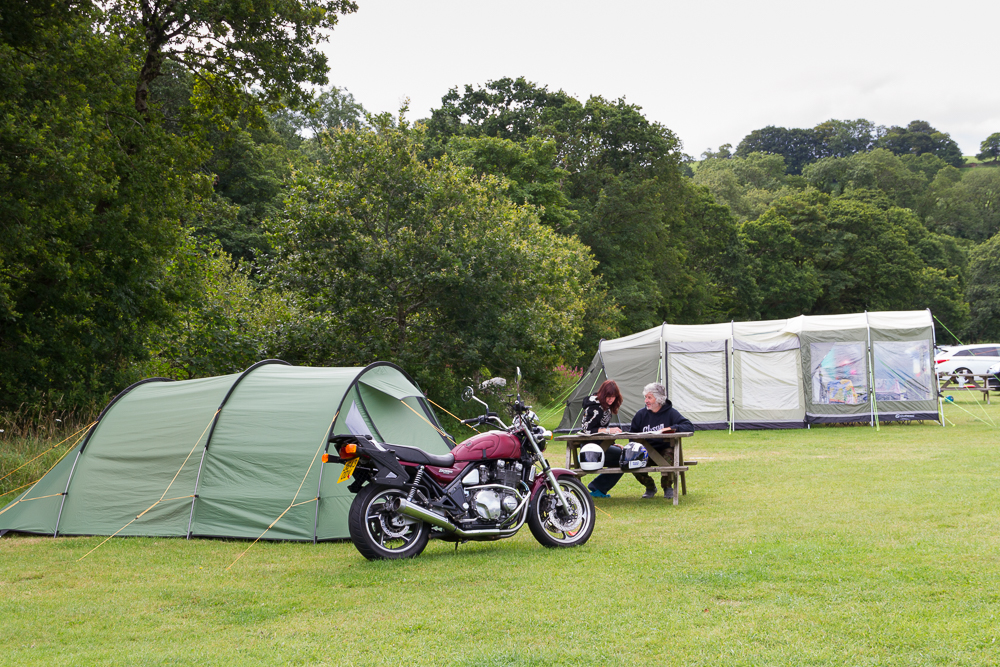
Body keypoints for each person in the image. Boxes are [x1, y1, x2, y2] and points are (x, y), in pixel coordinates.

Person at [588, 382, 693, 499]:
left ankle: (667, 487)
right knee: (630, 459)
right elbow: (632, 435)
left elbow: (689, 426)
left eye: (649, 397)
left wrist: (671, 428)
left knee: (669, 454)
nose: (646, 401)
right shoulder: (640, 415)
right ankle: (650, 486)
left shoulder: (671, 413)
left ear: (659, 399)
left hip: (664, 450)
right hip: (645, 452)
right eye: (645, 397)